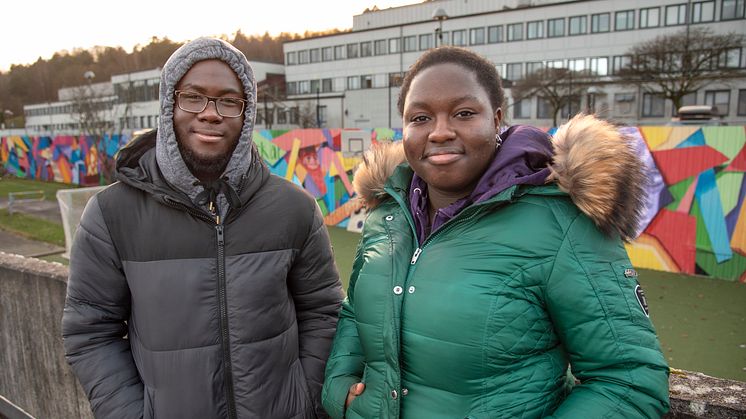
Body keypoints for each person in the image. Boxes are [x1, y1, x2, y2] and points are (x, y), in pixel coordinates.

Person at [321, 46, 670, 418]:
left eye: (464, 113)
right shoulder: (387, 213)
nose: (439, 132)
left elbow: (630, 381)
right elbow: (358, 312)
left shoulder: (561, 223)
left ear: (497, 120)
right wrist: (339, 386)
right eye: (420, 117)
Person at [62, 37, 343, 419]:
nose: (211, 113)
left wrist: (305, 399)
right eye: (193, 97)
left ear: (246, 116)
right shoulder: (111, 215)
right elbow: (90, 333)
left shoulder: (295, 209)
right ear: (169, 105)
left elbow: (324, 314)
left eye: (229, 101)